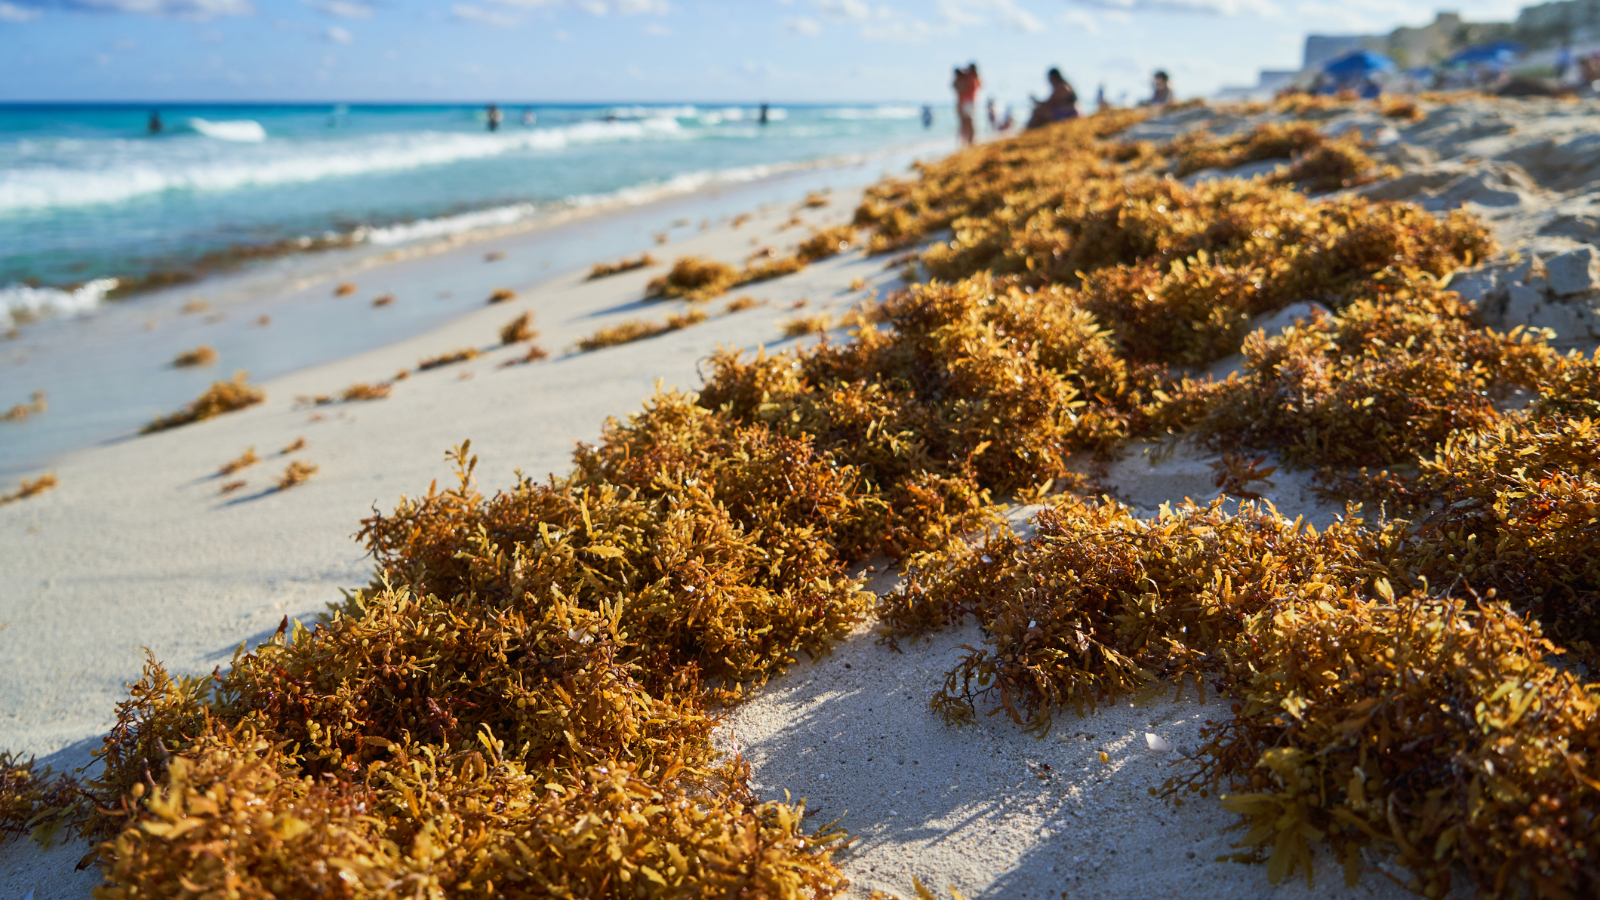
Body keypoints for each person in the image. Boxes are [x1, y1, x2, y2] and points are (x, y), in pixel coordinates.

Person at [953, 63, 980, 146]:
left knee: (968, 121)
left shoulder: (971, 78)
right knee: (967, 121)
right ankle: (968, 140)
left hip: (968, 101)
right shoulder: (972, 78)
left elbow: (958, 86)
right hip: (968, 101)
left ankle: (970, 141)